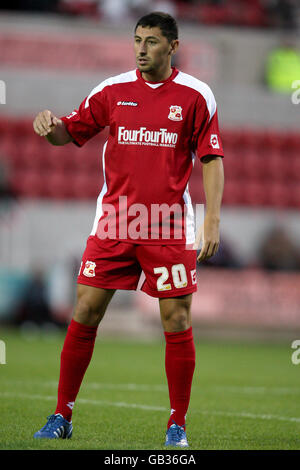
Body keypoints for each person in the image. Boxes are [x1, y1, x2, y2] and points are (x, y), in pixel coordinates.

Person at [32, 11, 224, 447]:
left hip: (169, 225)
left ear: (173, 47)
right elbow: (70, 131)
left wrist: (212, 218)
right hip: (115, 222)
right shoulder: (113, 90)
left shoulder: (197, 96)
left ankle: (177, 426)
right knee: (85, 311)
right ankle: (62, 415)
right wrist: (50, 127)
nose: (141, 48)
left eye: (152, 41)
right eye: (137, 40)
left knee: (176, 319)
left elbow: (211, 158)